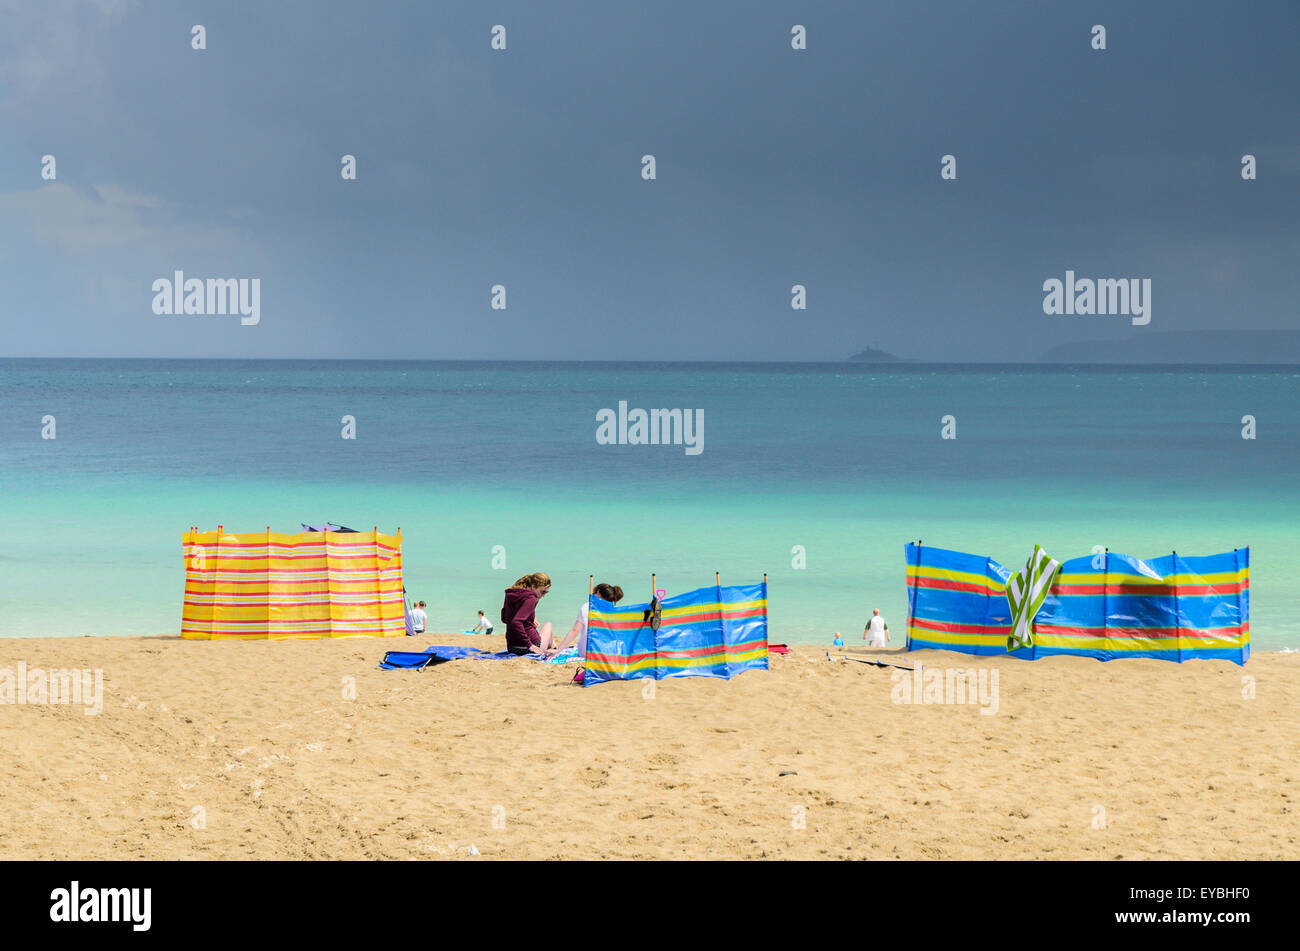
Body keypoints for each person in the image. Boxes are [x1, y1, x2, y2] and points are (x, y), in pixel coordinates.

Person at [549, 583, 623, 658]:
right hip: (608, 654)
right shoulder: (614, 610)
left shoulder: (587, 607)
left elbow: (575, 631)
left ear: (597, 592)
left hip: (587, 654)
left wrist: (558, 650)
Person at [500, 572, 554, 655]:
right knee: (548, 625)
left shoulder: (510, 594)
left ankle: (552, 647)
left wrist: (531, 617)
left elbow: (504, 618)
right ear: (533, 586)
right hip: (529, 647)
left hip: (512, 647)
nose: (543, 595)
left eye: (546, 592)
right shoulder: (531, 598)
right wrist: (530, 645)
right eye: (543, 592)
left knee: (547, 637)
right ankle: (553, 648)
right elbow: (516, 622)